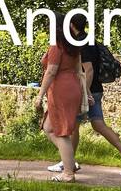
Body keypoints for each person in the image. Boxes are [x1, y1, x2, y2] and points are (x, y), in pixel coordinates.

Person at [48, 20, 121, 176]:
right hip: (94, 89)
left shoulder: (81, 43)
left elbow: (88, 70)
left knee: (80, 126)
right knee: (86, 125)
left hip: (88, 91)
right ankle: (69, 162)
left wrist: (85, 93)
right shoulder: (89, 39)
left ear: (71, 24)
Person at [32, 33, 85, 180]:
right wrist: (86, 92)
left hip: (61, 89)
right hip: (72, 87)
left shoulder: (57, 46)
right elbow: (79, 71)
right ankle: (70, 162)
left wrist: (39, 95)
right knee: (49, 127)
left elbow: (51, 71)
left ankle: (68, 173)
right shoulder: (73, 46)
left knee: (61, 132)